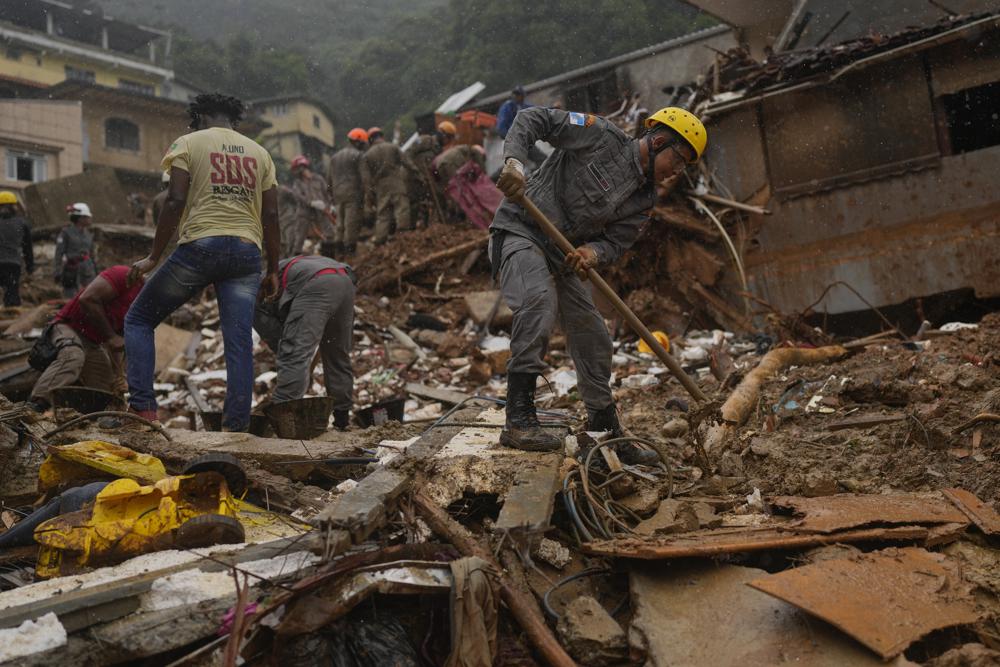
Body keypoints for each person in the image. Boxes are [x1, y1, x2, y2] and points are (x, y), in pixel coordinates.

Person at [490, 106, 707, 457]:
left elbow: (617, 241)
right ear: (660, 141)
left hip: (560, 256)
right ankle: (518, 419)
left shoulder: (644, 198)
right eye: (678, 161)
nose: (676, 173)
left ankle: (604, 429)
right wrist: (514, 162)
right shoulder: (599, 135)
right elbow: (532, 119)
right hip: (520, 230)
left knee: (594, 335)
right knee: (538, 302)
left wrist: (592, 252)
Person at [125, 93, 281, 430]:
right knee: (238, 342)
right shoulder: (260, 153)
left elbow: (175, 198)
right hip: (245, 252)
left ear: (200, 117)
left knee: (138, 319)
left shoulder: (188, 143)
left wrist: (154, 256)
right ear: (233, 119)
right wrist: (275, 269)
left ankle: (143, 410)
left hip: (201, 246)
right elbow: (271, 213)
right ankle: (236, 426)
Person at [254, 254, 356, 430]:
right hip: (345, 280)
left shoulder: (253, 294)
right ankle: (342, 420)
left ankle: (283, 418)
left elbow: (278, 337)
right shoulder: (282, 270)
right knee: (337, 353)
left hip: (317, 284)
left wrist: (293, 369)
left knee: (293, 354)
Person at [27, 265, 143, 413]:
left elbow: (117, 344)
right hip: (68, 326)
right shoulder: (125, 276)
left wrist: (119, 375)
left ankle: (98, 419)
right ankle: (34, 406)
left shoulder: (143, 306)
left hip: (93, 342)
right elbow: (87, 299)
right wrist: (110, 336)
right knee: (73, 355)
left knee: (106, 389)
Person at [361, 127, 414, 245]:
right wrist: (418, 174)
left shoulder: (367, 155)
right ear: (382, 136)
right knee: (402, 208)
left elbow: (366, 180)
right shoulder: (392, 147)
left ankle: (380, 239)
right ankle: (403, 235)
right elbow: (407, 163)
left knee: (383, 214)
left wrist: (370, 195)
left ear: (370, 139)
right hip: (396, 182)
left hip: (381, 187)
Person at [326, 128, 368, 256]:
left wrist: (331, 194)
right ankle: (350, 250)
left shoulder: (334, 157)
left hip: (338, 193)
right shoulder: (358, 155)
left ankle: (338, 248)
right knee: (351, 221)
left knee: (340, 222)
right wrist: (368, 193)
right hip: (353, 193)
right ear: (358, 142)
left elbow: (329, 178)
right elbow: (365, 177)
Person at [289, 155, 334, 256]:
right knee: (299, 237)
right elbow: (298, 196)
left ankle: (330, 257)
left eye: (302, 169)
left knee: (329, 234)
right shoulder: (297, 183)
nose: (301, 171)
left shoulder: (318, 179)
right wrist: (311, 203)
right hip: (304, 212)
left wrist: (329, 205)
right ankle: (295, 258)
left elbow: (327, 193)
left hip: (322, 210)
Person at [54, 203, 97, 299]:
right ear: (80, 218)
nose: (90, 219)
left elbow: (92, 256)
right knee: (71, 298)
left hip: (87, 271)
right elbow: (59, 253)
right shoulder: (66, 233)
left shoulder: (89, 235)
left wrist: (96, 271)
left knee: (89, 297)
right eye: (87, 217)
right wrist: (57, 271)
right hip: (71, 271)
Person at [0, 191, 33, 306]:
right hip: (13, 265)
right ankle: (12, 315)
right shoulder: (22, 223)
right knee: (11, 293)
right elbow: (27, 249)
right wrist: (30, 268)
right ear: (13, 206)